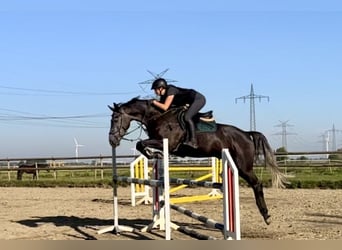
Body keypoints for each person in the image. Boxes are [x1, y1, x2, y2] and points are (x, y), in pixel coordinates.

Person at [151, 78, 206, 148]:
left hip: (198, 99)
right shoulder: (163, 97)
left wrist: (154, 102)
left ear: (161, 88)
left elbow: (165, 107)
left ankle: (193, 141)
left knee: (187, 117)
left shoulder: (171, 90)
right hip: (190, 102)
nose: (155, 92)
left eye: (155, 90)